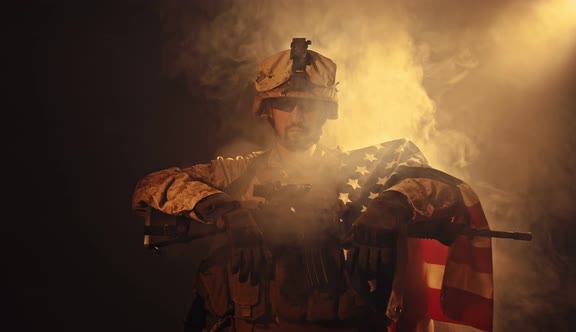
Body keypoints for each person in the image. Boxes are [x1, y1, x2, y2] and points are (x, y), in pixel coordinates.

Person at [132, 38, 494, 332]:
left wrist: (394, 203)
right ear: (267, 109)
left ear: (326, 112)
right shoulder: (237, 174)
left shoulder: (364, 173)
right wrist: (225, 210)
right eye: (287, 104)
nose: (300, 116)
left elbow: (443, 189)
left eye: (312, 106)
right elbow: (153, 184)